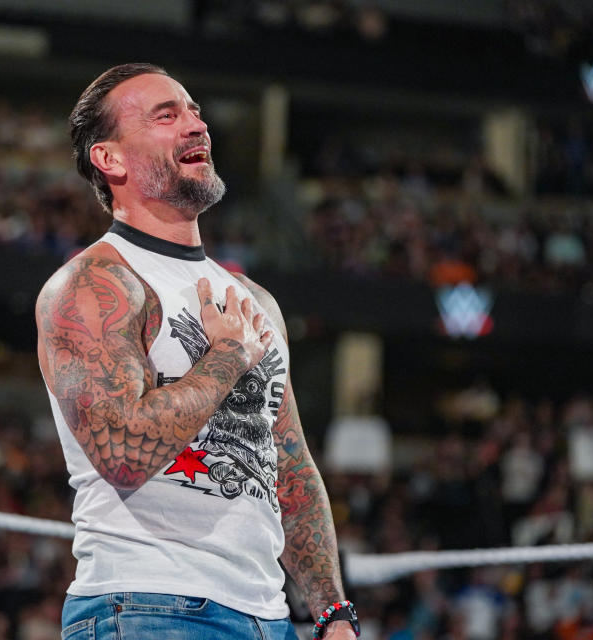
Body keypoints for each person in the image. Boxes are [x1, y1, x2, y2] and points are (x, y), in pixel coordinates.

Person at [35, 63, 358, 640]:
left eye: (195, 111)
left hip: (268, 614)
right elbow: (124, 453)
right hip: (147, 605)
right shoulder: (94, 284)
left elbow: (288, 466)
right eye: (167, 115)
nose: (196, 124)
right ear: (110, 159)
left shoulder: (255, 300)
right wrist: (228, 356)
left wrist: (332, 613)